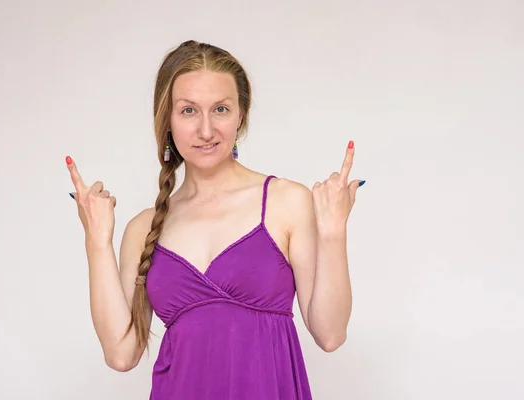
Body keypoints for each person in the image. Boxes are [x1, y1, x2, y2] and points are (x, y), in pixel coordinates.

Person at [65, 40, 364, 399]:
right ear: (168, 121)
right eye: (189, 111)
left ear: (240, 116)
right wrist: (96, 240)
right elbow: (121, 353)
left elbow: (330, 334)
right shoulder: (144, 228)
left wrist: (333, 232)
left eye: (220, 109)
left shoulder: (285, 201)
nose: (206, 130)